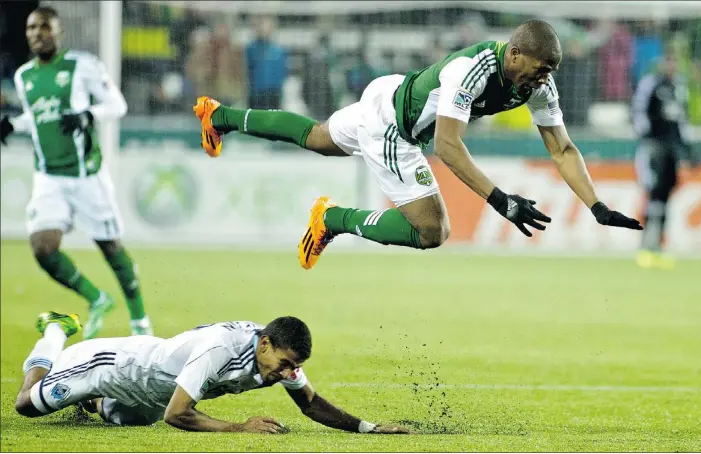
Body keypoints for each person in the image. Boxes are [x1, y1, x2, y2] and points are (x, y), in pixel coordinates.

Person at [193, 19, 643, 270]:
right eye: (541, 68)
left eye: (550, 72)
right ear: (515, 54)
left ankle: (219, 115)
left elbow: (562, 149)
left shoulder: (536, 86)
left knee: (316, 137)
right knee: (433, 231)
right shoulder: (473, 68)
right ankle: (332, 219)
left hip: (390, 93)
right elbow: (448, 145)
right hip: (395, 127)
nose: (544, 79)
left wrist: (596, 206)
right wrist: (500, 200)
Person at [0, 7, 152, 337]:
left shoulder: (83, 66)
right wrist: (13, 123)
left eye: (44, 27)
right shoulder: (24, 76)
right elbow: (39, 119)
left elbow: (117, 105)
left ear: (58, 32)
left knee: (111, 248)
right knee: (43, 247)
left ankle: (140, 319)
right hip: (48, 178)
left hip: (87, 177)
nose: (37, 33)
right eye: (31, 27)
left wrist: (86, 114)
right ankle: (97, 298)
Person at [14, 312, 411, 434]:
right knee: (27, 406)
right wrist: (240, 427)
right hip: (109, 365)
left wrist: (369, 428)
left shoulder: (275, 358)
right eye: (286, 364)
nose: (290, 373)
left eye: (296, 366)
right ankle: (54, 331)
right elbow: (177, 414)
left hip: (148, 398)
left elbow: (310, 406)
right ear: (265, 344)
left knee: (123, 419)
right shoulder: (220, 348)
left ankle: (93, 402)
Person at [632, 51, 699, 269]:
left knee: (665, 195)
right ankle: (645, 247)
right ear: (662, 63)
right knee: (653, 193)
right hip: (653, 147)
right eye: (669, 60)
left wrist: (686, 149)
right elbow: (639, 112)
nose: (672, 65)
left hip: (671, 149)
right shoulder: (651, 84)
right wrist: (648, 140)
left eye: (675, 61)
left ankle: (658, 246)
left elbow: (681, 121)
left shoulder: (678, 88)